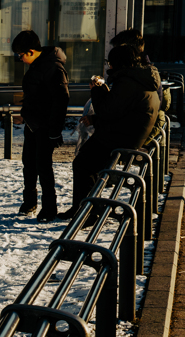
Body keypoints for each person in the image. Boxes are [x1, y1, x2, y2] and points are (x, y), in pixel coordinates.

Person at [58, 44, 161, 220]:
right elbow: (121, 111)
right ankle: (84, 209)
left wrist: (97, 90)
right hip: (128, 134)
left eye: (110, 63)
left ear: (118, 63)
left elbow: (107, 110)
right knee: (86, 164)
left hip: (120, 139)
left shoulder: (128, 83)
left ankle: (87, 213)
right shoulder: (139, 79)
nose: (108, 66)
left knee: (82, 164)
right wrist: (97, 118)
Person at [11, 30, 70, 222]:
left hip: (44, 127)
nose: (19, 59)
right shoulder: (39, 65)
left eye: (20, 55)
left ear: (30, 51)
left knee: (43, 167)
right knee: (29, 164)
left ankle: (49, 208)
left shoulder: (51, 67)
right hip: (34, 124)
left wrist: (54, 132)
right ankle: (30, 202)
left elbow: (60, 101)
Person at [111, 29, 171, 145]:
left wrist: (97, 92)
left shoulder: (134, 75)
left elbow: (114, 110)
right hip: (143, 128)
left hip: (135, 134)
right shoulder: (145, 71)